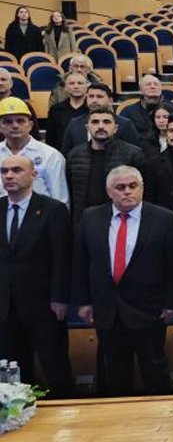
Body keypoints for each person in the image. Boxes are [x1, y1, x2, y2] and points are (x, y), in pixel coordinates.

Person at [73, 165, 173, 395]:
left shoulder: (164, 218)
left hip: (149, 309)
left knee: (155, 370)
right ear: (109, 191)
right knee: (114, 373)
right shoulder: (91, 217)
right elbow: (80, 263)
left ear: (142, 188)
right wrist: (83, 302)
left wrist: (172, 303)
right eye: (120, 187)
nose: (127, 192)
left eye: (133, 186)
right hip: (107, 309)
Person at [0, 155, 73, 396]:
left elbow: (62, 257)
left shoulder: (52, 209)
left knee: (56, 369)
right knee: (14, 377)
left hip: (45, 305)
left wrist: (60, 298)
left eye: (16, 170)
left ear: (33, 175)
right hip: (6, 307)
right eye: (5, 171)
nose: (9, 175)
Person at [65, 105, 148, 221]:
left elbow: (144, 192)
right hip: (84, 221)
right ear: (87, 128)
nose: (100, 126)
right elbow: (71, 194)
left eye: (106, 122)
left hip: (123, 220)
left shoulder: (133, 154)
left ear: (115, 128)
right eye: (95, 122)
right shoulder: (74, 155)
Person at [0, 97, 68, 205]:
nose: (15, 125)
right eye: (8, 122)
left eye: (20, 120)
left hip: (40, 219)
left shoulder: (50, 155)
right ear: (0, 127)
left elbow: (60, 198)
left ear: (30, 125)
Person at [60, 84, 142, 155]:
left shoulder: (125, 124)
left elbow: (135, 153)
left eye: (99, 97)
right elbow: (66, 153)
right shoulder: (74, 123)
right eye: (91, 96)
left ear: (110, 101)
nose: (94, 100)